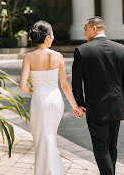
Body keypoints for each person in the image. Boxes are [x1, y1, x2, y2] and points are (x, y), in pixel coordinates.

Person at [19, 20, 85, 175]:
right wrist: (76, 107)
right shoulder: (58, 56)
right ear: (47, 37)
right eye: (52, 35)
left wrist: (34, 90)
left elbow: (22, 86)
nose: (53, 38)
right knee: (50, 138)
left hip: (39, 101)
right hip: (56, 101)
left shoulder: (28, 57)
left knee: (42, 140)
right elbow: (65, 86)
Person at [72, 16, 124, 175]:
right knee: (111, 146)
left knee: (101, 146)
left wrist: (80, 104)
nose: (85, 34)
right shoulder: (122, 49)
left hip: (96, 108)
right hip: (116, 107)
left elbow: (77, 83)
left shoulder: (82, 50)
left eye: (86, 30)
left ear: (94, 29)